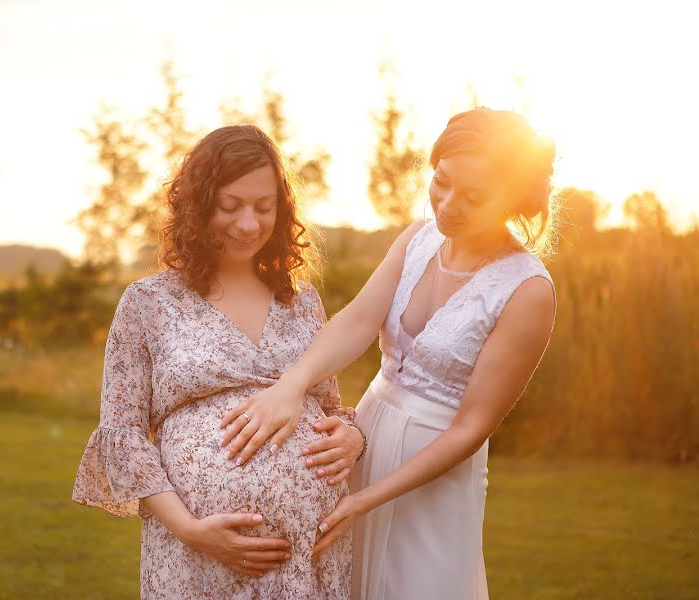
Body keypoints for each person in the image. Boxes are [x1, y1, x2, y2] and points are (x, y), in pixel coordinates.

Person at [219, 108, 558, 599]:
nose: (447, 205)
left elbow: (471, 428)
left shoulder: (527, 290)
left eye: (474, 197)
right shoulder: (417, 239)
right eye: (441, 182)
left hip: (435, 471)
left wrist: (368, 501)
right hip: (370, 434)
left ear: (514, 200)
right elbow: (357, 321)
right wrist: (289, 388)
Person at [72, 124, 365, 599]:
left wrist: (353, 438)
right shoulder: (148, 303)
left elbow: (331, 409)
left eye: (264, 207)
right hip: (196, 558)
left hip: (308, 558)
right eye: (230, 206)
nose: (248, 224)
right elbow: (122, 435)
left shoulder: (301, 301)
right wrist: (189, 529)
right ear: (198, 205)